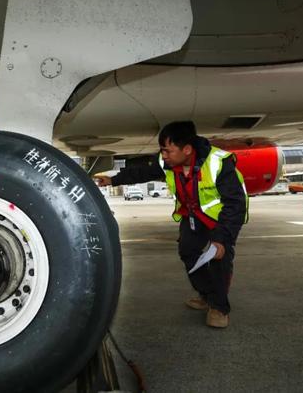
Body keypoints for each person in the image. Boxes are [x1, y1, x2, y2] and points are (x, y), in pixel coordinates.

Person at [94, 121, 248, 328]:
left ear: (187, 149)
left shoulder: (219, 163)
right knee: (188, 251)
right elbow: (142, 173)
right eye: (162, 150)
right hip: (192, 215)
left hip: (220, 218)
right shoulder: (167, 162)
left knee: (219, 258)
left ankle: (219, 308)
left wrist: (221, 240)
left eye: (168, 150)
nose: (163, 155)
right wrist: (112, 180)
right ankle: (206, 295)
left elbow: (235, 205)